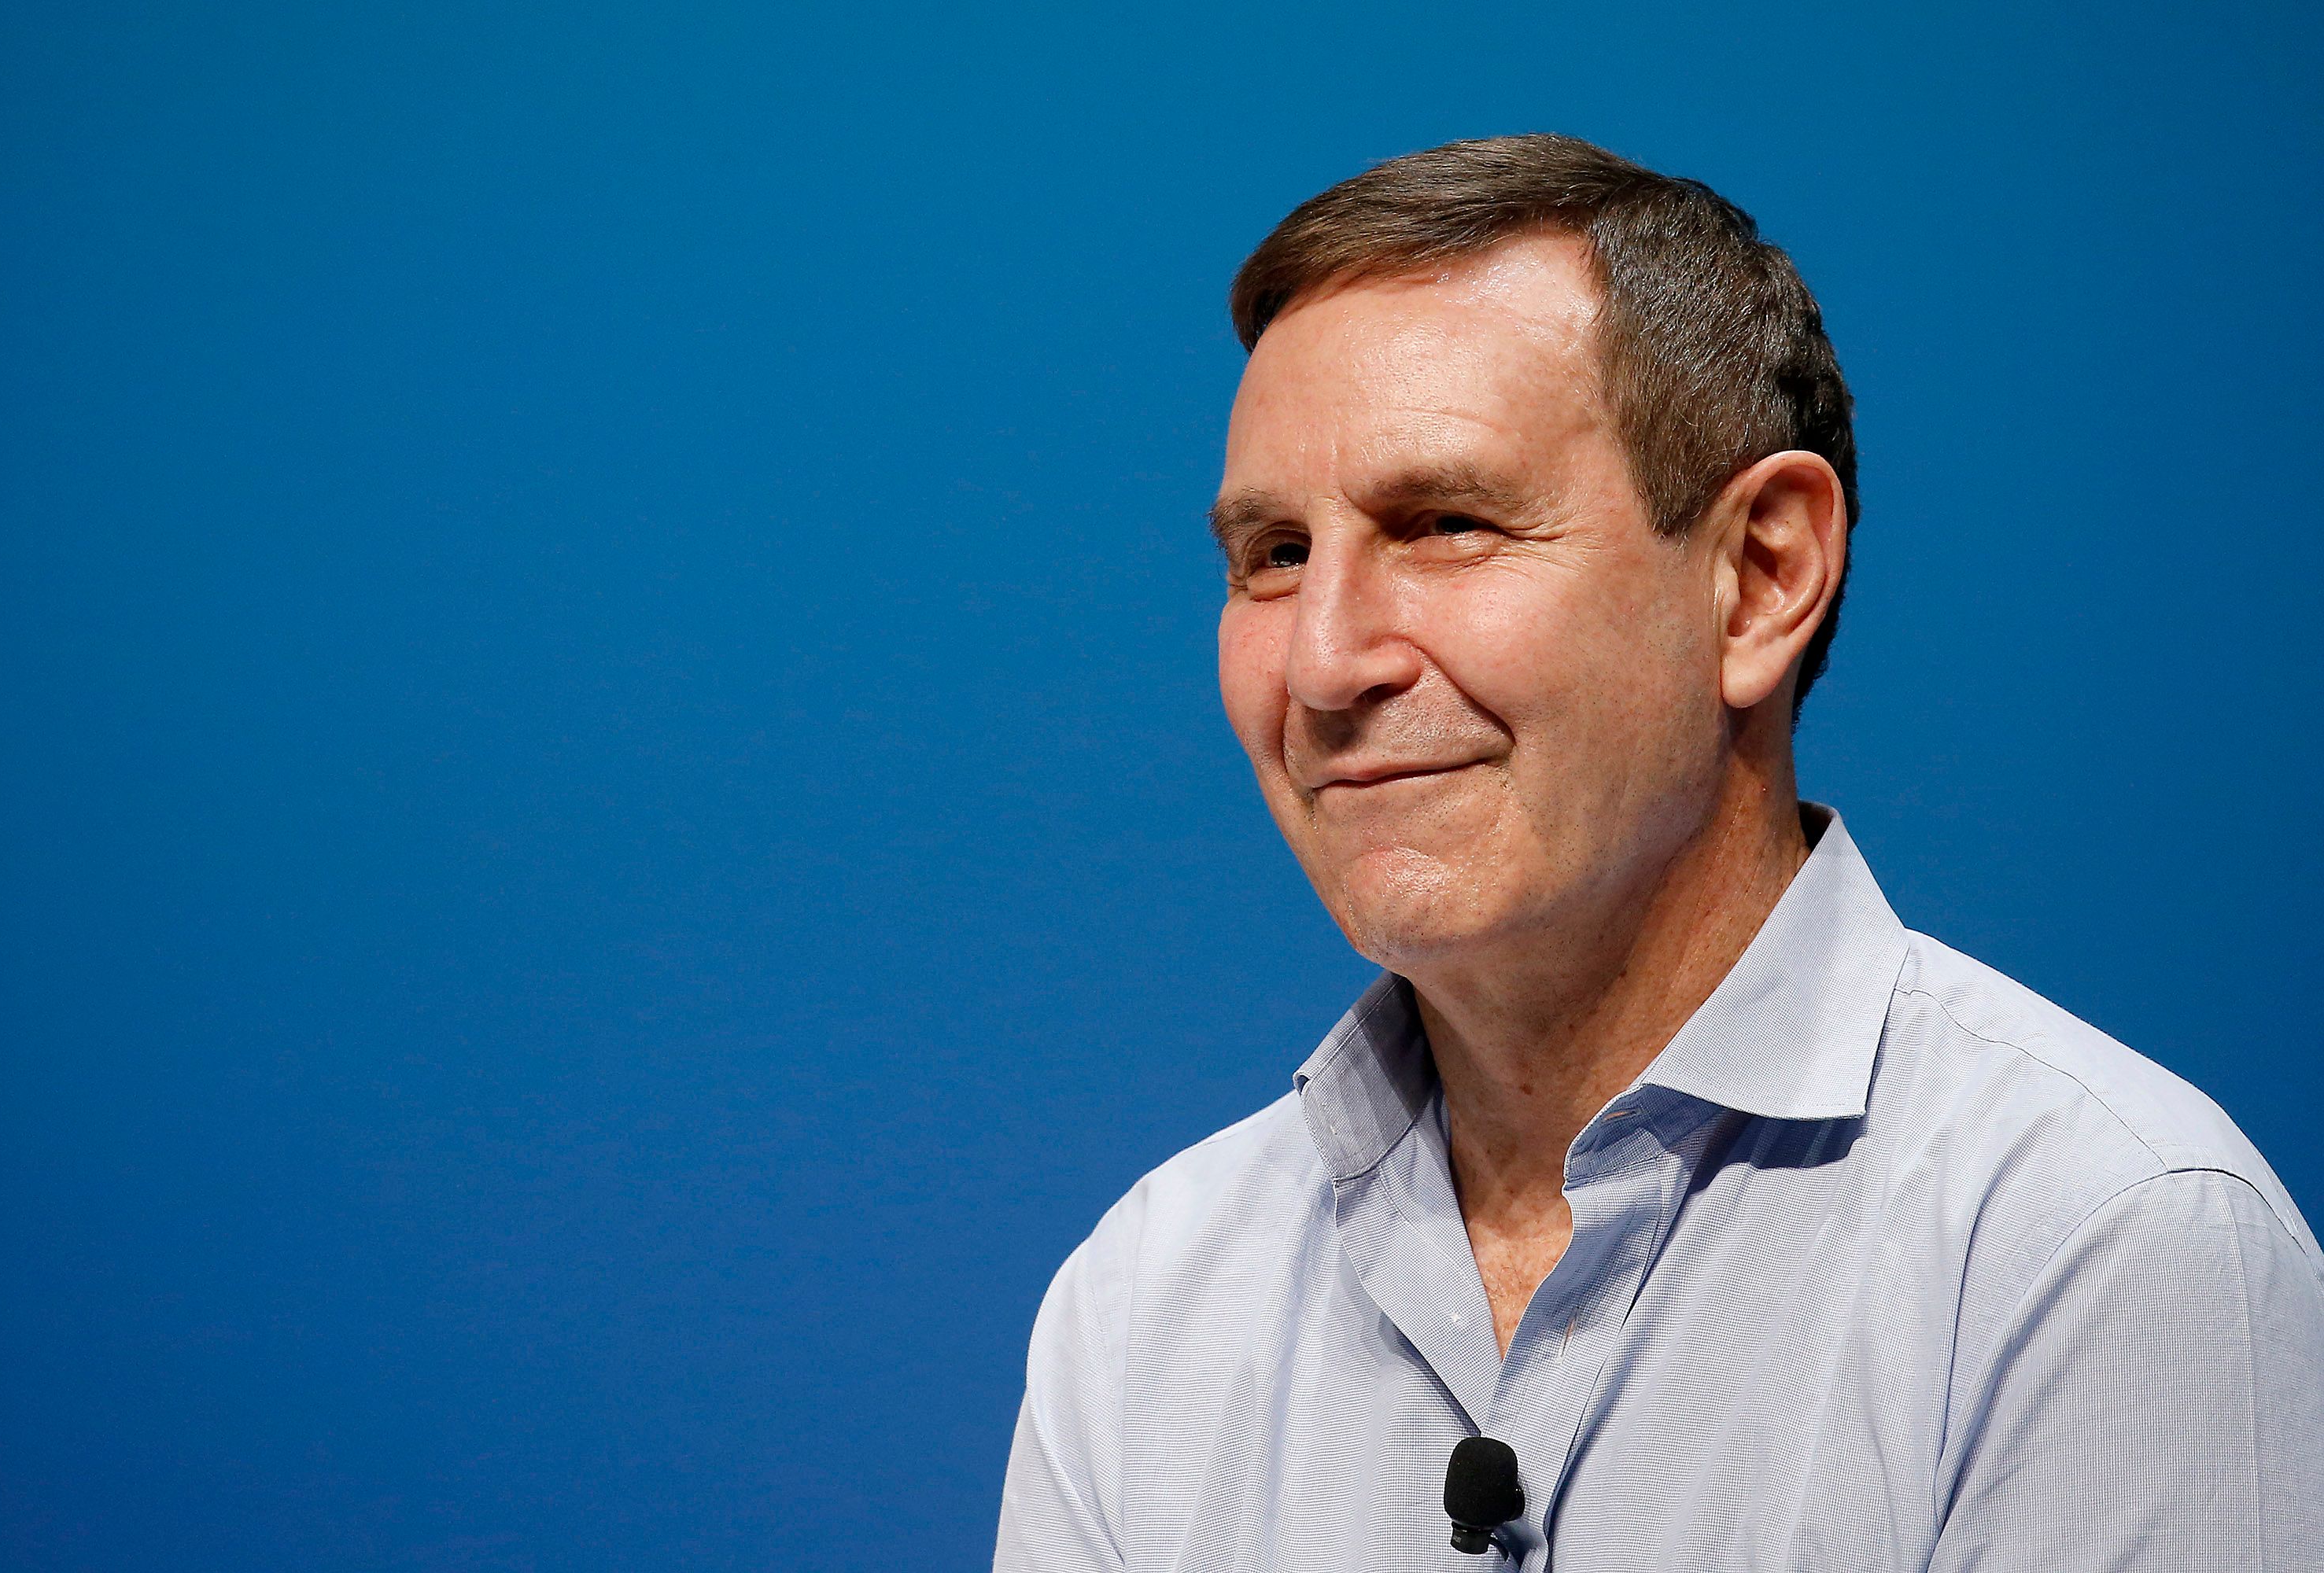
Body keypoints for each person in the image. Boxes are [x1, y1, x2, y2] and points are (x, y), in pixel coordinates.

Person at [992, 134, 2324, 1571]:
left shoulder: (2102, 1248)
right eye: (1272, 556)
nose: (1321, 665)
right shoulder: (1144, 1300)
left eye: (1445, 524)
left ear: (1761, 578)